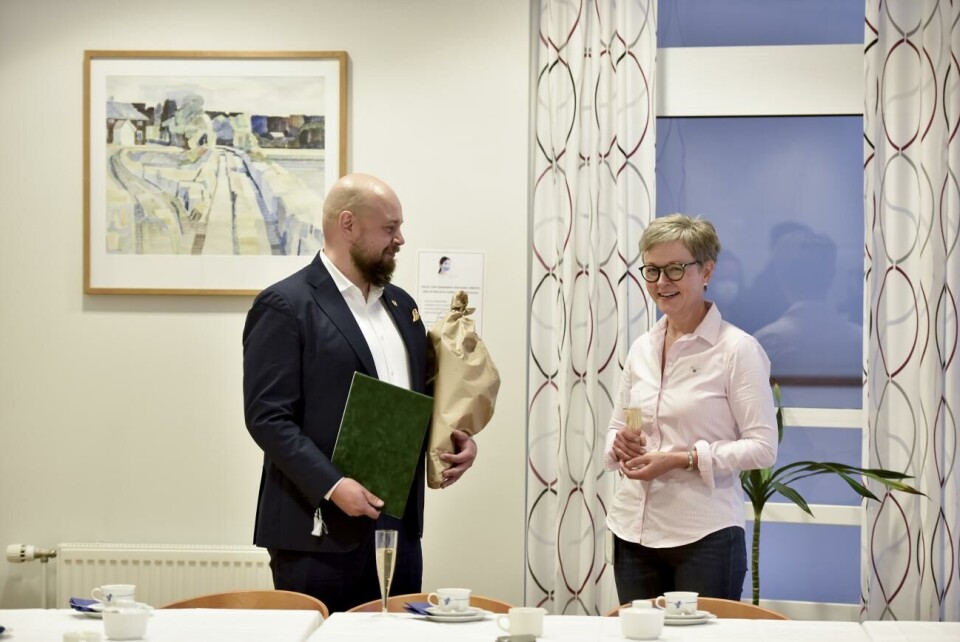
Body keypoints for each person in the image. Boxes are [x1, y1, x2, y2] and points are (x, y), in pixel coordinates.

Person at [242, 173, 478, 613]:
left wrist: (455, 440)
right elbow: (267, 418)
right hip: (318, 535)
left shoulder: (402, 307)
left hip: (398, 529)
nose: (401, 239)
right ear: (347, 224)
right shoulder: (285, 305)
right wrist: (333, 486)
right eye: (390, 228)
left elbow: (415, 400)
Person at [604, 213, 778, 602]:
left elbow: (763, 447)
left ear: (707, 271)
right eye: (652, 270)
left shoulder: (737, 350)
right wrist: (619, 447)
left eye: (675, 269)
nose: (662, 282)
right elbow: (617, 428)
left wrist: (684, 459)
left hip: (706, 538)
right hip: (632, 532)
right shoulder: (642, 348)